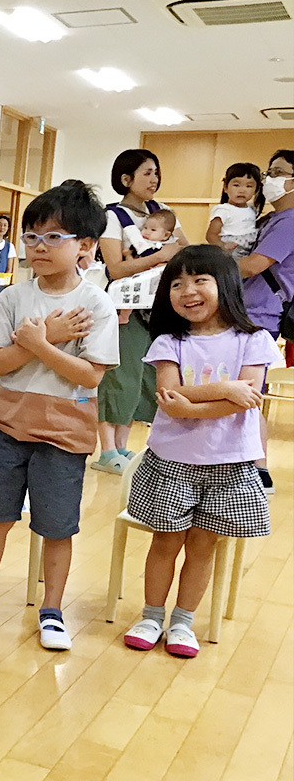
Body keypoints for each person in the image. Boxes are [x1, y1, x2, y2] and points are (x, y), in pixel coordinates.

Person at [0, 180, 119, 651]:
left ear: (85, 246)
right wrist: (40, 339)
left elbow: (90, 377)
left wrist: (38, 343)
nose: (40, 247)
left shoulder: (95, 304)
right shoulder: (12, 298)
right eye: (32, 236)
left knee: (57, 524)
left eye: (54, 237)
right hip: (9, 425)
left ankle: (52, 609)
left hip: (64, 433)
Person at [122, 246, 277, 659]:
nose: (186, 291)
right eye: (176, 283)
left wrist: (191, 407)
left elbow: (247, 399)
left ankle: (183, 621)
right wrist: (224, 390)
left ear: (224, 285)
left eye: (198, 280)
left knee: (203, 546)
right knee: (165, 541)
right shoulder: (168, 341)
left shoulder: (255, 339)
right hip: (172, 461)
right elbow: (170, 394)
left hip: (229, 463)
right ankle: (152, 615)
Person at [93, 148, 189, 475]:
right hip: (126, 307)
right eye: (147, 172)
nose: (155, 179)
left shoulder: (162, 212)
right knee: (120, 375)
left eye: (156, 173)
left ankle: (122, 445)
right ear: (126, 179)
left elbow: (184, 250)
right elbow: (116, 269)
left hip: (157, 307)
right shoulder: (111, 216)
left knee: (146, 378)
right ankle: (107, 450)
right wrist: (159, 256)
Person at [239, 149, 294, 490]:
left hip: (260, 314)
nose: (268, 179)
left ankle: (258, 470)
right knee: (245, 388)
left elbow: (253, 265)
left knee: (247, 390)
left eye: (278, 172)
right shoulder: (270, 220)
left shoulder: (290, 221)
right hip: (249, 311)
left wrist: (202, 262)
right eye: (268, 172)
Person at [206, 162, 262, 261]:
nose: (242, 190)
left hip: (249, 250)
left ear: (256, 190)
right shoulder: (223, 210)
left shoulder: (252, 210)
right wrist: (222, 246)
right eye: (236, 185)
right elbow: (211, 234)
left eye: (249, 186)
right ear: (225, 187)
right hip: (230, 250)